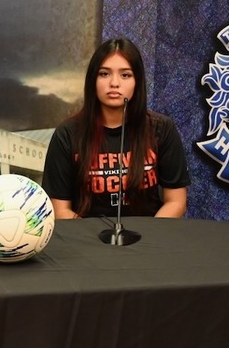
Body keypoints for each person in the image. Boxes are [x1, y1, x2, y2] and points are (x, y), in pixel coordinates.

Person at [42, 38, 190, 219]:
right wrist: (91, 242)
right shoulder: (67, 134)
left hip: (149, 241)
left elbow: (176, 201)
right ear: (92, 80)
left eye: (125, 75)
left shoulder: (161, 129)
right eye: (104, 74)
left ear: (137, 81)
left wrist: (149, 240)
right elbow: (59, 209)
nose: (114, 83)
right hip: (87, 241)